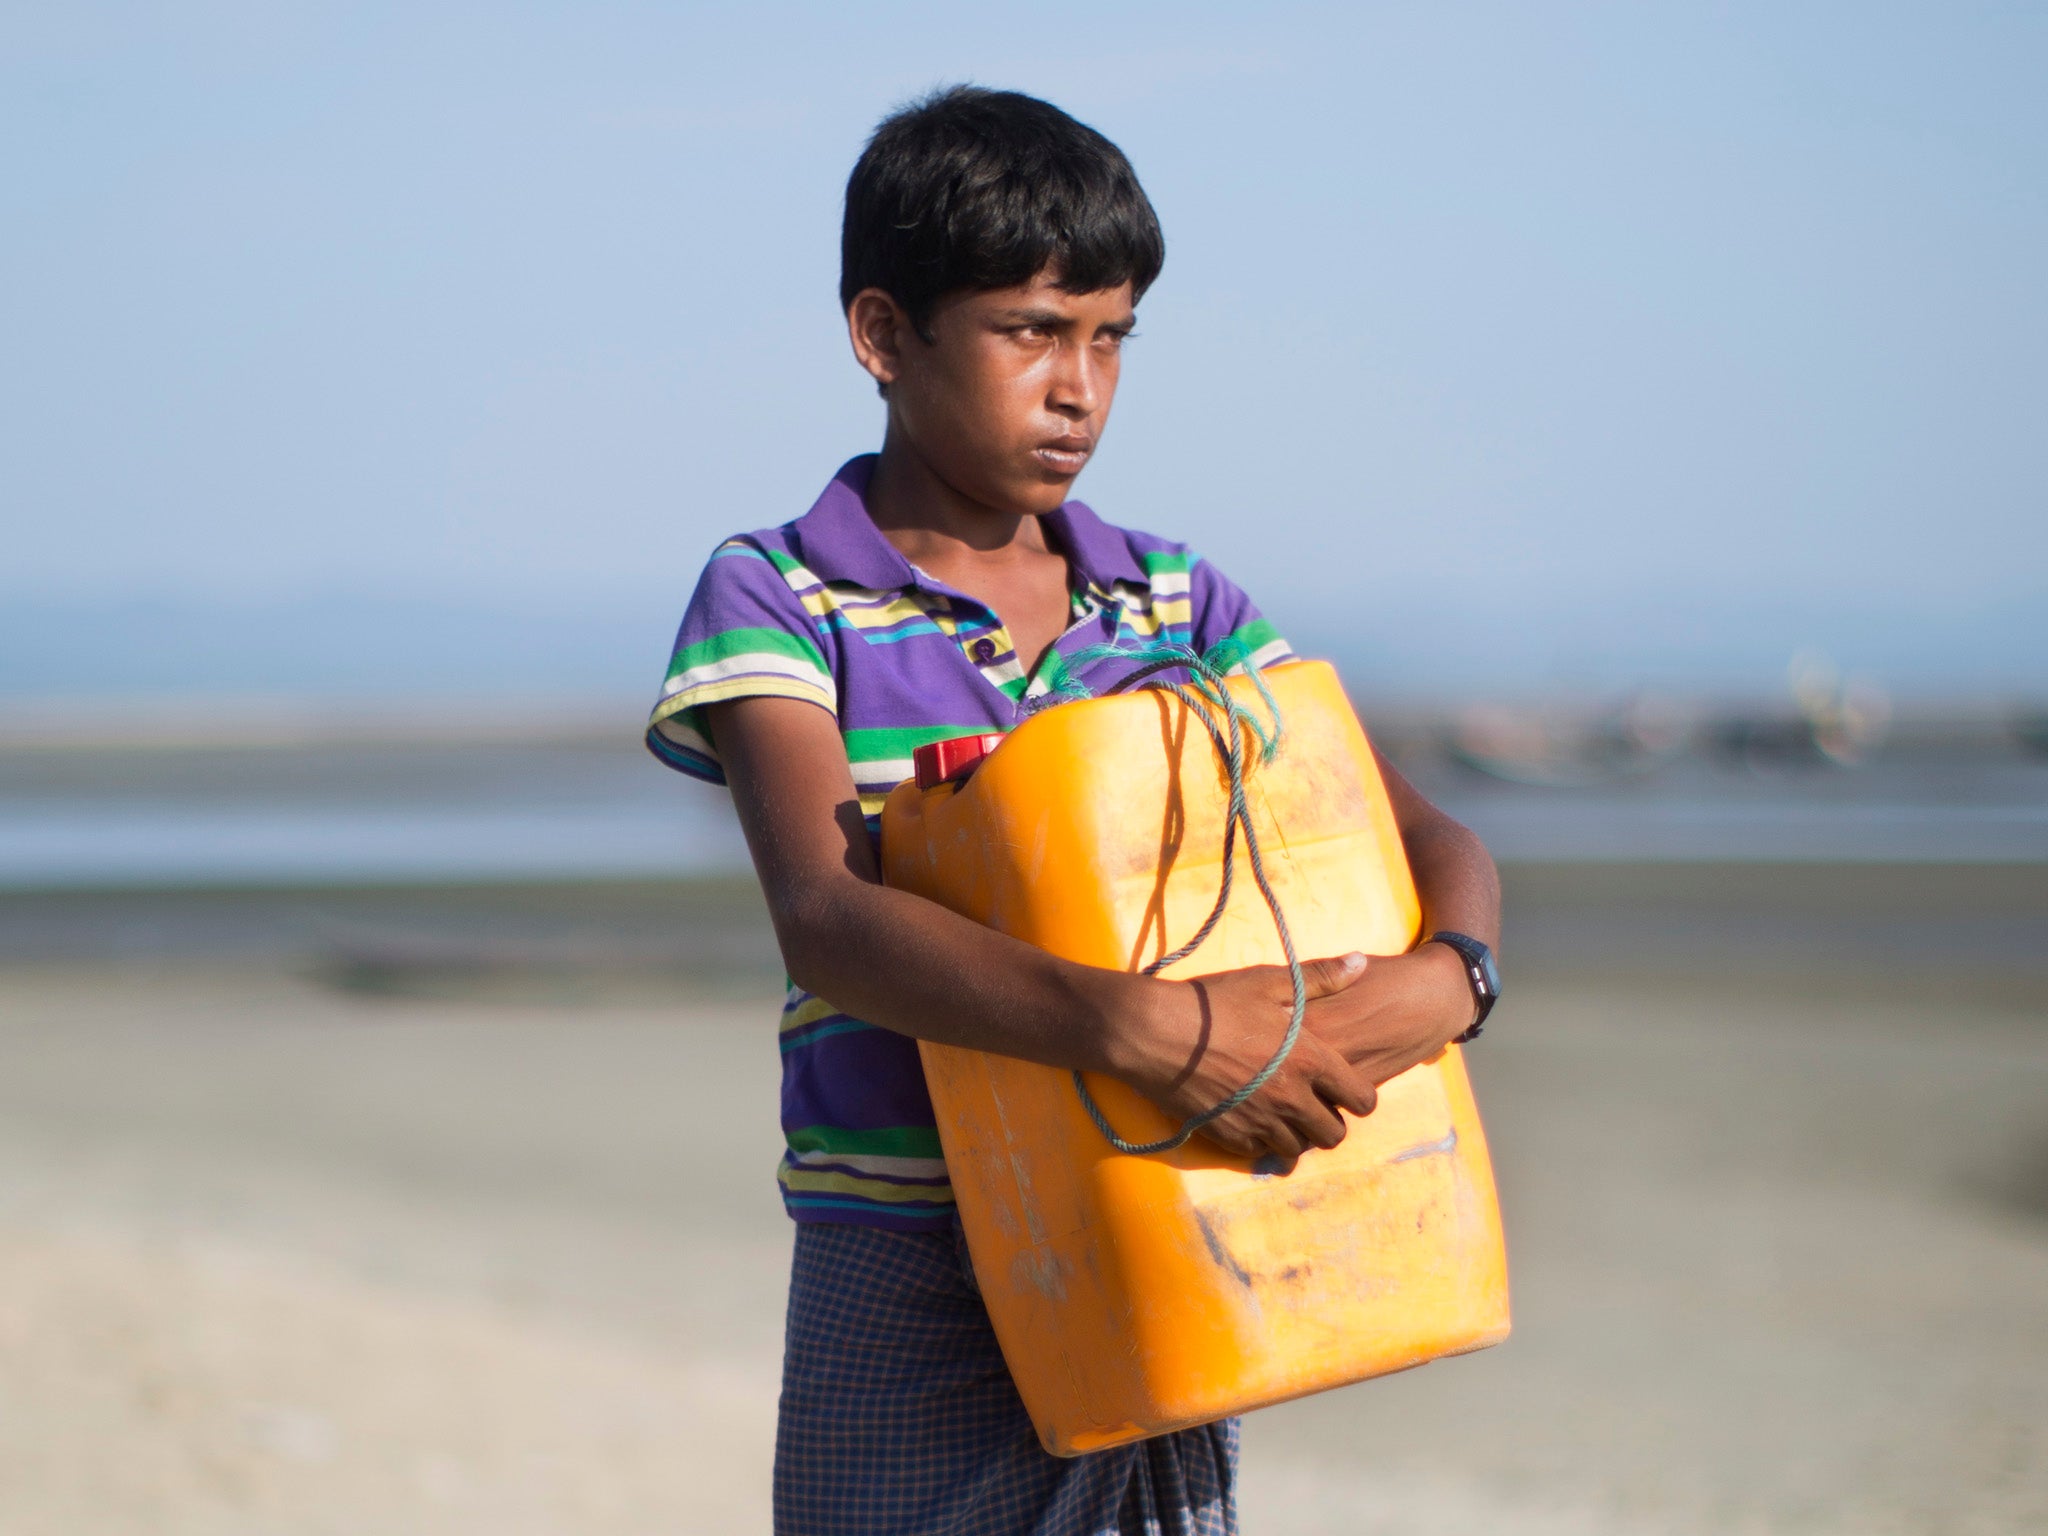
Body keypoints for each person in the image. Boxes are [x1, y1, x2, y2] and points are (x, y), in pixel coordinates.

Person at [646, 85, 1502, 1536]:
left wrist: (1449, 981)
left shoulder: (1173, 600)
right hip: (905, 1241)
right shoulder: (781, 596)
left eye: (1111, 338)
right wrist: (1162, 1032)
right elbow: (831, 921)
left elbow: (1432, 841)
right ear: (882, 334)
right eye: (1031, 331)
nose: (1079, 388)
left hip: (1176, 1212)